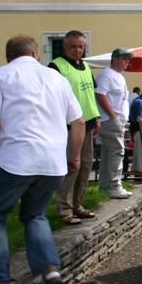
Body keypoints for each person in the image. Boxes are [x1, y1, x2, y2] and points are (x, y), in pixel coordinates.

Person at [0, 36, 84, 284]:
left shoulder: (0, 75)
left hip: (15, 160)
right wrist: (75, 157)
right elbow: (78, 122)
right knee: (35, 214)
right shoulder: (57, 78)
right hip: (52, 163)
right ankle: (48, 269)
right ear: (36, 53)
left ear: (8, 56)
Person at [48, 30, 100, 225]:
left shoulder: (85, 66)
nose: (77, 50)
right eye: (73, 47)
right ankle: (64, 209)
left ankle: (78, 205)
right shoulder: (56, 67)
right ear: (64, 47)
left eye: (81, 46)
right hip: (69, 125)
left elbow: (90, 95)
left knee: (85, 166)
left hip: (87, 122)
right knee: (72, 167)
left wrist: (96, 118)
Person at [95, 48, 132, 199]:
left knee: (109, 153)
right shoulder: (106, 74)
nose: (127, 63)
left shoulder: (119, 76)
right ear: (115, 59)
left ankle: (105, 186)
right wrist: (113, 116)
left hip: (117, 120)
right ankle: (114, 185)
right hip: (111, 120)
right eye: (124, 59)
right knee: (117, 152)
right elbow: (100, 94)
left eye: (128, 60)